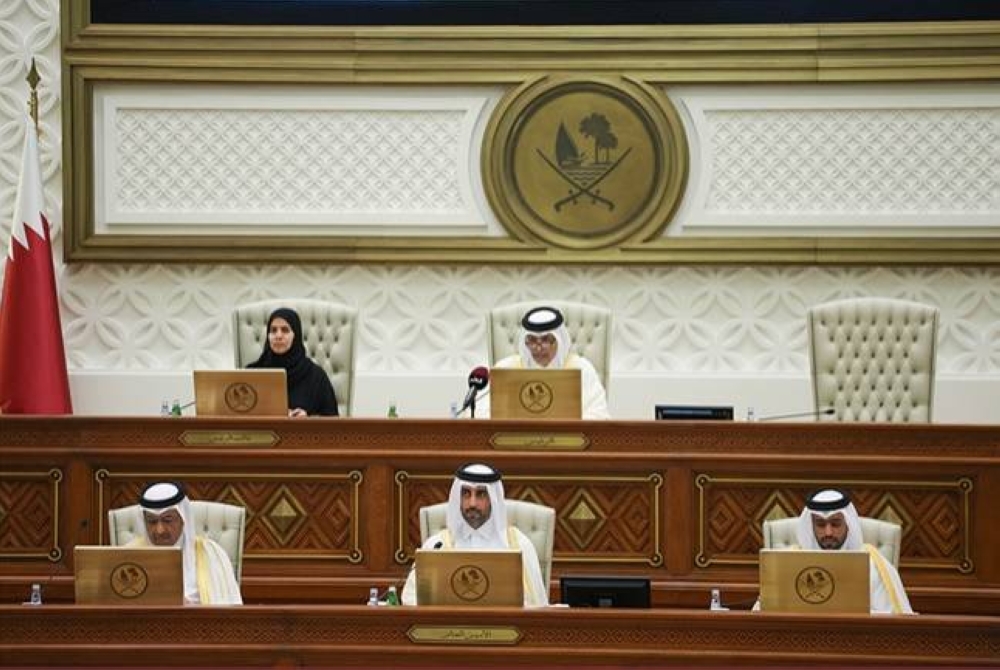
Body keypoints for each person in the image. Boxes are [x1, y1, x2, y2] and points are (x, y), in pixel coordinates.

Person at [401, 463, 549, 607]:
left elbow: (538, 606)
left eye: (481, 494)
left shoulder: (518, 545)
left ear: (493, 499)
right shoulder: (436, 546)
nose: (472, 503)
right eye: (466, 493)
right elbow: (410, 599)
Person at [769, 489, 914, 614]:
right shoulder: (789, 563)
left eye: (835, 524)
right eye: (820, 524)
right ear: (811, 526)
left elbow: (889, 617)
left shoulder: (872, 564)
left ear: (848, 524)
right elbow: (766, 612)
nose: (828, 532)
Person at [128, 482, 242, 605]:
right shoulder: (129, 555)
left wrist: (187, 608)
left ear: (183, 518)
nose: (159, 530)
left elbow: (229, 610)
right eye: (152, 521)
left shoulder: (211, 553)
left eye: (167, 520)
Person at [493, 306, 610, 419]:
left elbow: (599, 414)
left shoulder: (581, 369)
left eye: (546, 340)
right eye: (532, 340)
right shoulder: (505, 369)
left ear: (560, 340)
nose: (538, 348)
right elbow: (487, 413)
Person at [247, 307, 338, 417]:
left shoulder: (316, 376)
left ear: (296, 335)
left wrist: (308, 419)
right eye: (273, 330)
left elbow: (332, 421)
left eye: (285, 330)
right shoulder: (251, 374)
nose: (278, 336)